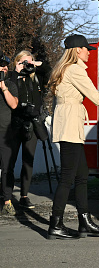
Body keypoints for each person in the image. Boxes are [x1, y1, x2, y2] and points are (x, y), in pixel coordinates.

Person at [47, 35, 99, 240]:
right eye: (87, 49)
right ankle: (55, 224)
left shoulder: (66, 69)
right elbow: (96, 98)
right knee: (67, 178)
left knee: (81, 176)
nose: (89, 52)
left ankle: (84, 221)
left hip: (70, 126)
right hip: (70, 128)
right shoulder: (74, 69)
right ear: (77, 50)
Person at [7, 51, 51, 210]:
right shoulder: (12, 77)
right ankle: (7, 196)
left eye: (29, 62)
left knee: (28, 161)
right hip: (15, 123)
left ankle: (24, 196)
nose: (27, 66)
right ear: (17, 63)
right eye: (23, 62)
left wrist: (36, 64)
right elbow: (6, 89)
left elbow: (48, 71)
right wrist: (16, 72)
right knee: (9, 162)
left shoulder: (37, 78)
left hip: (32, 124)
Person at [0, 52, 18, 216]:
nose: (5, 68)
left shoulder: (10, 85)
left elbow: (14, 104)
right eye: (2, 65)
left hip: (5, 134)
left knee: (7, 169)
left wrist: (3, 88)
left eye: (6, 66)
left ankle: (7, 201)